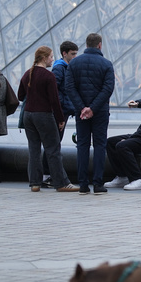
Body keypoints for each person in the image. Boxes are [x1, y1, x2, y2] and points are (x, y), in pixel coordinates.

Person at [18, 46, 78, 193]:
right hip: (44, 115)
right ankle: (61, 182)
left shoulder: (27, 74)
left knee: (34, 149)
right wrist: (60, 119)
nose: (53, 59)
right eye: (51, 57)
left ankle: (35, 183)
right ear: (44, 58)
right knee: (53, 149)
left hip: (28, 115)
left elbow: (20, 96)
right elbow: (54, 101)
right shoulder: (48, 76)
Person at [65, 33, 116, 195]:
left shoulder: (74, 63)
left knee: (82, 146)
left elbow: (69, 88)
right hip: (99, 112)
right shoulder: (107, 64)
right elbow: (107, 89)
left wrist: (82, 108)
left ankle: (83, 184)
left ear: (86, 45)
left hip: (81, 114)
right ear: (100, 45)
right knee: (100, 145)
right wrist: (93, 108)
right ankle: (98, 183)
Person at [41, 40, 78, 187]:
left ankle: (47, 174)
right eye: (73, 54)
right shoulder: (59, 69)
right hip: (60, 112)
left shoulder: (64, 67)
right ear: (64, 53)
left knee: (55, 143)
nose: (75, 56)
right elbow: (54, 91)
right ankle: (47, 175)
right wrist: (63, 107)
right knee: (54, 144)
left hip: (64, 110)